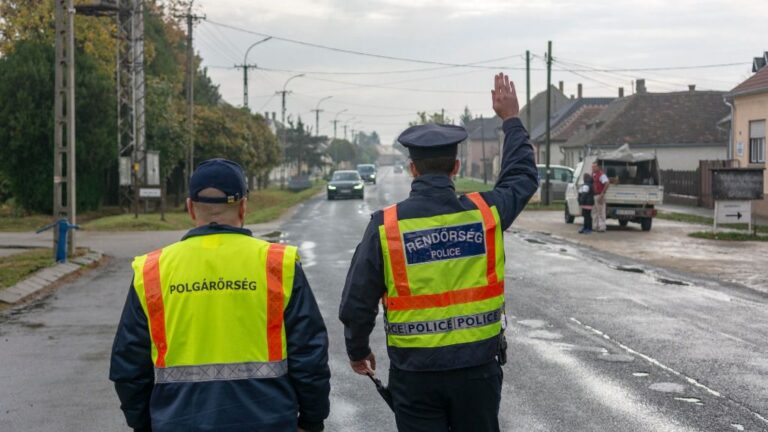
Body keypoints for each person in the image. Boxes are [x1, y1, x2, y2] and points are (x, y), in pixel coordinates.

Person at [338, 74, 538, 432]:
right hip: (478, 373)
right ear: (456, 167)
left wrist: (357, 350)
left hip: (415, 376)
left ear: (412, 169)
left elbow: (357, 300)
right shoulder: (485, 214)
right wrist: (511, 120)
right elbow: (521, 177)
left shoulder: (387, 226)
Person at [110, 159, 330, 432]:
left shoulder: (152, 271)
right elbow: (309, 354)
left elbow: (128, 365)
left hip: (177, 422)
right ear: (244, 207)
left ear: (190, 208)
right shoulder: (277, 264)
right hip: (269, 422)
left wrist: (143, 423)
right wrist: (312, 419)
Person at [591, 161, 610, 232]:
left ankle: (602, 227)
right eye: (592, 167)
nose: (593, 168)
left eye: (594, 166)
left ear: (598, 167)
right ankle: (595, 226)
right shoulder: (593, 174)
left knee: (601, 212)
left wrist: (602, 194)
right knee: (594, 212)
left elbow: (607, 183)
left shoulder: (601, 175)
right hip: (594, 195)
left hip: (599, 195)